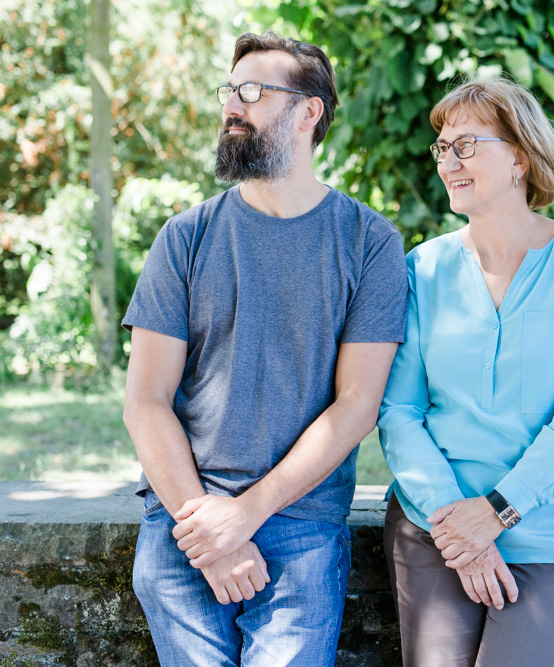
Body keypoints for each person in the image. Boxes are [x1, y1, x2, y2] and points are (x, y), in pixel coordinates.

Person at [122, 31, 407, 665]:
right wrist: (209, 528)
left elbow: (357, 406)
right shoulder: (185, 237)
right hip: (183, 519)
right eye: (229, 89)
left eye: (253, 92)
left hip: (301, 526)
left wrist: (247, 515)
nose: (232, 105)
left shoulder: (371, 243)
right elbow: (145, 401)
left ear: (310, 113)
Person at [377, 77, 554, 667]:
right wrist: (455, 521)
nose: (448, 161)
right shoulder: (425, 267)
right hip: (433, 521)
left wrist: (496, 512)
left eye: (466, 144)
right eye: (443, 147)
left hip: (548, 532)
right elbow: (397, 411)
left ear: (520, 155)